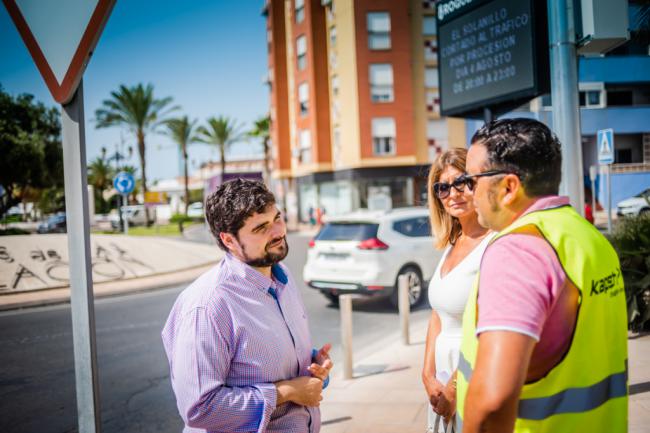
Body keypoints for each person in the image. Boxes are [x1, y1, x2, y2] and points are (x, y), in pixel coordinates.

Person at [456, 119, 628, 433]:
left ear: (508, 187)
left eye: (471, 181)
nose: (468, 194)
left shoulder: (517, 251)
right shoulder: (588, 237)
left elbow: (493, 402)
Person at [162, 178, 333, 433]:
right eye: (261, 227)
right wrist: (285, 392)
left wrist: (312, 367)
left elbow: (266, 362)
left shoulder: (281, 275)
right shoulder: (207, 306)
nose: (278, 232)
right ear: (229, 240)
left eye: (277, 218)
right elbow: (199, 408)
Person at [422, 148, 493, 433]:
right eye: (442, 187)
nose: (453, 193)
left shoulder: (496, 242)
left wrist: (454, 388)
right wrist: (427, 375)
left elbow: (489, 328)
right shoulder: (454, 241)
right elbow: (438, 314)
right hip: (441, 381)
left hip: (474, 377)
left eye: (461, 181)